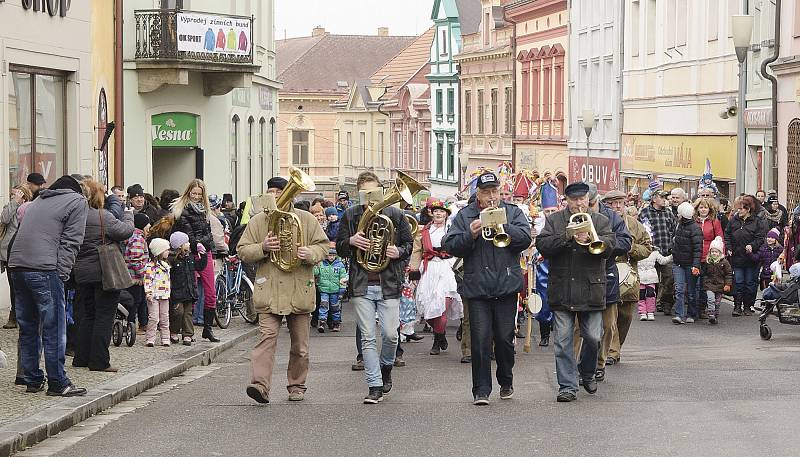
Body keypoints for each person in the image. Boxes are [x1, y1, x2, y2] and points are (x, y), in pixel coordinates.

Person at [443, 171, 532, 405]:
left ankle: (506, 379)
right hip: (478, 287)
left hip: (505, 285)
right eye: (486, 192)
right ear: (478, 195)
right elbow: (450, 245)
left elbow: (525, 239)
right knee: (480, 340)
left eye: (495, 191)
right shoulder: (465, 215)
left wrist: (505, 227)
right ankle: (481, 389)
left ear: (501, 192)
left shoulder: (513, 212)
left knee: (504, 339)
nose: (491, 196)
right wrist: (469, 235)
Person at [238, 178, 329, 405]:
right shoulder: (259, 221)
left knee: (300, 345)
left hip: (299, 288)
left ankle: (296, 385)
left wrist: (312, 253)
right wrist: (262, 248)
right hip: (269, 289)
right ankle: (260, 385)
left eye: (280, 191)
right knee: (266, 338)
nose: (276, 195)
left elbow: (324, 245)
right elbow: (242, 250)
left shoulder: (306, 219)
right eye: (271, 191)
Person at [337, 171, 414, 404]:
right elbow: (340, 247)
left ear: (381, 191)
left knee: (391, 335)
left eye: (374, 192)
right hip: (361, 284)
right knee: (368, 337)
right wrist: (350, 242)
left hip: (388, 283)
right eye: (365, 194)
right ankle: (374, 385)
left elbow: (408, 244)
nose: (370, 198)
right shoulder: (350, 215)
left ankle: (386, 367)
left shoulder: (395, 213)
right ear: (359, 194)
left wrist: (398, 252)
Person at [536, 182, 615, 403]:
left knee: (593, 336)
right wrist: (567, 237)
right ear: (567, 200)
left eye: (582, 199)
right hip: (563, 288)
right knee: (562, 341)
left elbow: (610, 246)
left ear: (587, 199)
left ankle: (587, 371)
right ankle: (567, 386)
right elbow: (543, 245)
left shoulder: (599, 221)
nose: (578, 204)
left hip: (591, 288)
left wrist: (593, 240)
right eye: (574, 200)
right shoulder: (554, 221)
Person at [71, 179, 134, 372]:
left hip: (82, 271)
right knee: (104, 316)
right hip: (105, 272)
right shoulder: (102, 216)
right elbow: (125, 231)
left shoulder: (74, 216)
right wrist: (129, 215)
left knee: (88, 315)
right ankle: (99, 361)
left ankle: (81, 357)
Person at [578, 185, 632, 383]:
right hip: (579, 275)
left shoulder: (611, 217)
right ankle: (576, 365)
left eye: (591, 203)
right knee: (578, 327)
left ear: (596, 201)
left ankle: (600, 363)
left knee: (608, 325)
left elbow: (626, 241)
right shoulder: (575, 215)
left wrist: (602, 244)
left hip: (605, 272)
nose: (588, 207)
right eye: (585, 203)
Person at [600, 190, 651, 367]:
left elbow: (647, 248)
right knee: (610, 317)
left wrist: (630, 249)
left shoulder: (634, 225)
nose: (617, 206)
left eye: (620, 203)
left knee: (626, 316)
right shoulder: (601, 222)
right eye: (613, 203)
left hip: (629, 278)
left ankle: (616, 347)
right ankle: (611, 351)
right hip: (608, 275)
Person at [409, 199, 463, 356]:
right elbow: (417, 251)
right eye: (436, 211)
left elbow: (461, 247)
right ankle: (440, 334)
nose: (439, 213)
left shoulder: (452, 229)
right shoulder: (424, 231)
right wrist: (414, 271)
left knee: (442, 307)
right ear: (431, 213)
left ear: (446, 214)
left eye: (442, 211)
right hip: (430, 269)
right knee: (428, 309)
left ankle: (436, 341)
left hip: (448, 269)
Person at [171, 179, 219, 342]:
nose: (197, 197)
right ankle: (184, 330)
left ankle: (208, 328)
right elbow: (187, 233)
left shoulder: (205, 210)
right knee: (188, 292)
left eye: (199, 194)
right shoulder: (182, 210)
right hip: (189, 253)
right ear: (188, 192)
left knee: (211, 292)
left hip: (205, 251)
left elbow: (208, 233)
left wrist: (211, 250)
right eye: (194, 193)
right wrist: (197, 243)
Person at [725, 195, 768, 316]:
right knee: (738, 282)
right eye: (738, 209)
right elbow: (727, 234)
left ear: (748, 209)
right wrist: (728, 247)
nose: (739, 211)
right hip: (737, 256)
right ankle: (737, 306)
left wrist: (752, 246)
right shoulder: (734, 220)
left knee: (750, 283)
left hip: (751, 258)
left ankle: (748, 306)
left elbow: (760, 238)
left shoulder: (756, 221)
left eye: (741, 209)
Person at [639, 190, 676, 315]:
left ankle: (665, 303)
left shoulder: (668, 213)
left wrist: (671, 244)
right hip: (650, 252)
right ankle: (650, 304)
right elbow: (641, 232)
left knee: (669, 278)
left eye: (666, 197)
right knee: (651, 280)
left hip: (666, 250)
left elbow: (673, 229)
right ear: (654, 199)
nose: (665, 199)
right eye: (662, 197)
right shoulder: (644, 213)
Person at [1, 184, 33, 328]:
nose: (13, 197)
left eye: (16, 194)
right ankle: (13, 316)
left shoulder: (31, 208)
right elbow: (4, 219)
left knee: (25, 286)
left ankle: (25, 314)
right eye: (12, 195)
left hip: (26, 251)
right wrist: (14, 202)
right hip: (9, 251)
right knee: (13, 286)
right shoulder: (10, 207)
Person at [168, 231, 207, 345]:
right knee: (178, 312)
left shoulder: (189, 258)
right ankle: (174, 331)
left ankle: (188, 334)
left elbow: (199, 266)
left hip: (189, 291)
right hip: (177, 292)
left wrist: (203, 255)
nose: (189, 244)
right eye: (187, 242)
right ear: (180, 245)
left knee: (188, 313)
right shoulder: (173, 260)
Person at [670, 202, 703, 324]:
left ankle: (691, 314)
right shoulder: (678, 226)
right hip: (678, 262)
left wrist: (695, 265)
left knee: (691, 291)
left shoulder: (695, 229)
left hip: (690, 264)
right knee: (679, 289)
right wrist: (672, 250)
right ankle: (679, 314)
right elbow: (673, 239)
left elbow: (698, 249)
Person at [694, 197, 724, 319]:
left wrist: (720, 256)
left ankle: (702, 308)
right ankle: (693, 308)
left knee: (705, 285)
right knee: (694, 285)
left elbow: (719, 238)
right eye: (701, 207)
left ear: (709, 209)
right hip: (695, 255)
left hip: (709, 257)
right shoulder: (693, 221)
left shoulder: (714, 221)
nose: (703, 210)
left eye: (705, 207)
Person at [123, 213, 151, 334]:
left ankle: (135, 325)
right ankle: (130, 325)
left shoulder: (135, 237)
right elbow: (135, 259)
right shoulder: (138, 239)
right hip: (134, 277)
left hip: (134, 276)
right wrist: (143, 274)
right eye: (147, 228)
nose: (149, 230)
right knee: (134, 302)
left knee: (137, 301)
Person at [143, 238, 172, 346]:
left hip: (165, 296)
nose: (168, 252)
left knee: (165, 318)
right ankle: (150, 338)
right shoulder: (151, 266)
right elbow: (147, 280)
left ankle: (165, 338)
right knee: (154, 318)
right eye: (166, 250)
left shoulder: (166, 265)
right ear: (159, 251)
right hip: (154, 296)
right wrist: (148, 293)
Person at [313, 248, 348, 333]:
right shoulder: (321, 264)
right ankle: (322, 322)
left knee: (335, 307)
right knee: (323, 305)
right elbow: (316, 273)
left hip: (335, 290)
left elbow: (343, 277)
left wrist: (342, 289)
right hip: (324, 289)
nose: (331, 257)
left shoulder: (340, 265)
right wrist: (315, 265)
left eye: (333, 255)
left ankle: (336, 323)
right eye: (329, 255)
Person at [703, 237, 733, 325]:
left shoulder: (725, 262)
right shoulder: (708, 261)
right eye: (712, 252)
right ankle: (711, 314)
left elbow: (728, 274)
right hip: (709, 284)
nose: (714, 253)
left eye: (716, 252)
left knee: (717, 302)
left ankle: (715, 314)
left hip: (720, 285)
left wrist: (728, 284)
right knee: (711, 299)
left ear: (720, 253)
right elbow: (704, 273)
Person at [638, 249, 659, 321]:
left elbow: (663, 261)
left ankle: (650, 312)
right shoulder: (638, 251)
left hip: (651, 277)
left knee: (651, 294)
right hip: (640, 276)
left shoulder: (655, 252)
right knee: (641, 295)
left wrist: (672, 256)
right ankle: (642, 312)